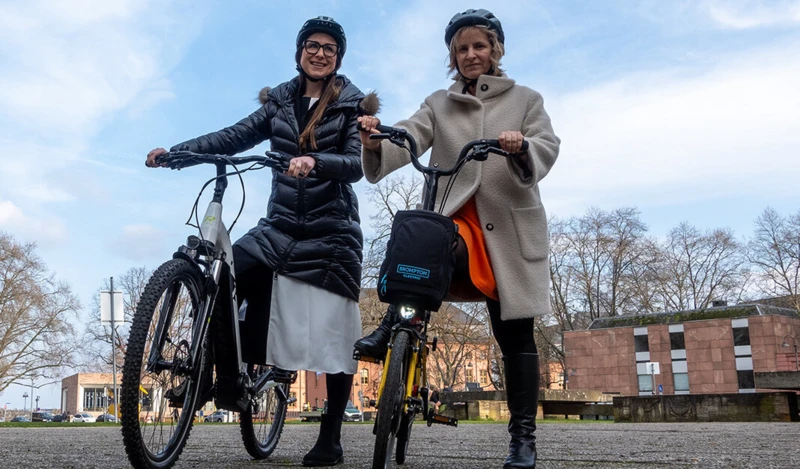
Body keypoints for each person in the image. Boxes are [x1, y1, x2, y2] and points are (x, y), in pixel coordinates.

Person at [146, 16, 376, 467]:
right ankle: (216, 374)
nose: (320, 53)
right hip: (279, 228)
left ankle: (330, 437)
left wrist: (315, 161)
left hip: (331, 233)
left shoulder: (352, 105)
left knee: (334, 337)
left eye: (330, 48)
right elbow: (232, 136)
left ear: (339, 58)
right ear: (299, 52)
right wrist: (177, 154)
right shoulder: (279, 103)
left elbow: (355, 164)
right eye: (313, 45)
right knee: (225, 272)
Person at [355, 9, 559, 469]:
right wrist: (376, 141)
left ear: (495, 51)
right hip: (455, 220)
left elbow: (546, 145)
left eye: (479, 46)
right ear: (453, 55)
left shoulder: (526, 99)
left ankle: (522, 439)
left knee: (515, 337)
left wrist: (521, 145)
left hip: (507, 228)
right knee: (422, 239)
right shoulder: (440, 103)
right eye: (462, 48)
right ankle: (395, 325)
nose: (471, 54)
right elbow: (410, 132)